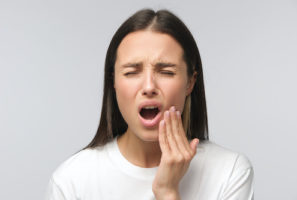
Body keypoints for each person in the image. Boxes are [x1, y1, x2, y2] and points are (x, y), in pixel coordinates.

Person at [45, 9, 254, 200]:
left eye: (166, 72)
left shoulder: (230, 172)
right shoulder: (72, 180)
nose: (148, 87)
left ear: (190, 82)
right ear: (113, 83)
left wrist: (167, 192)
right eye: (131, 72)